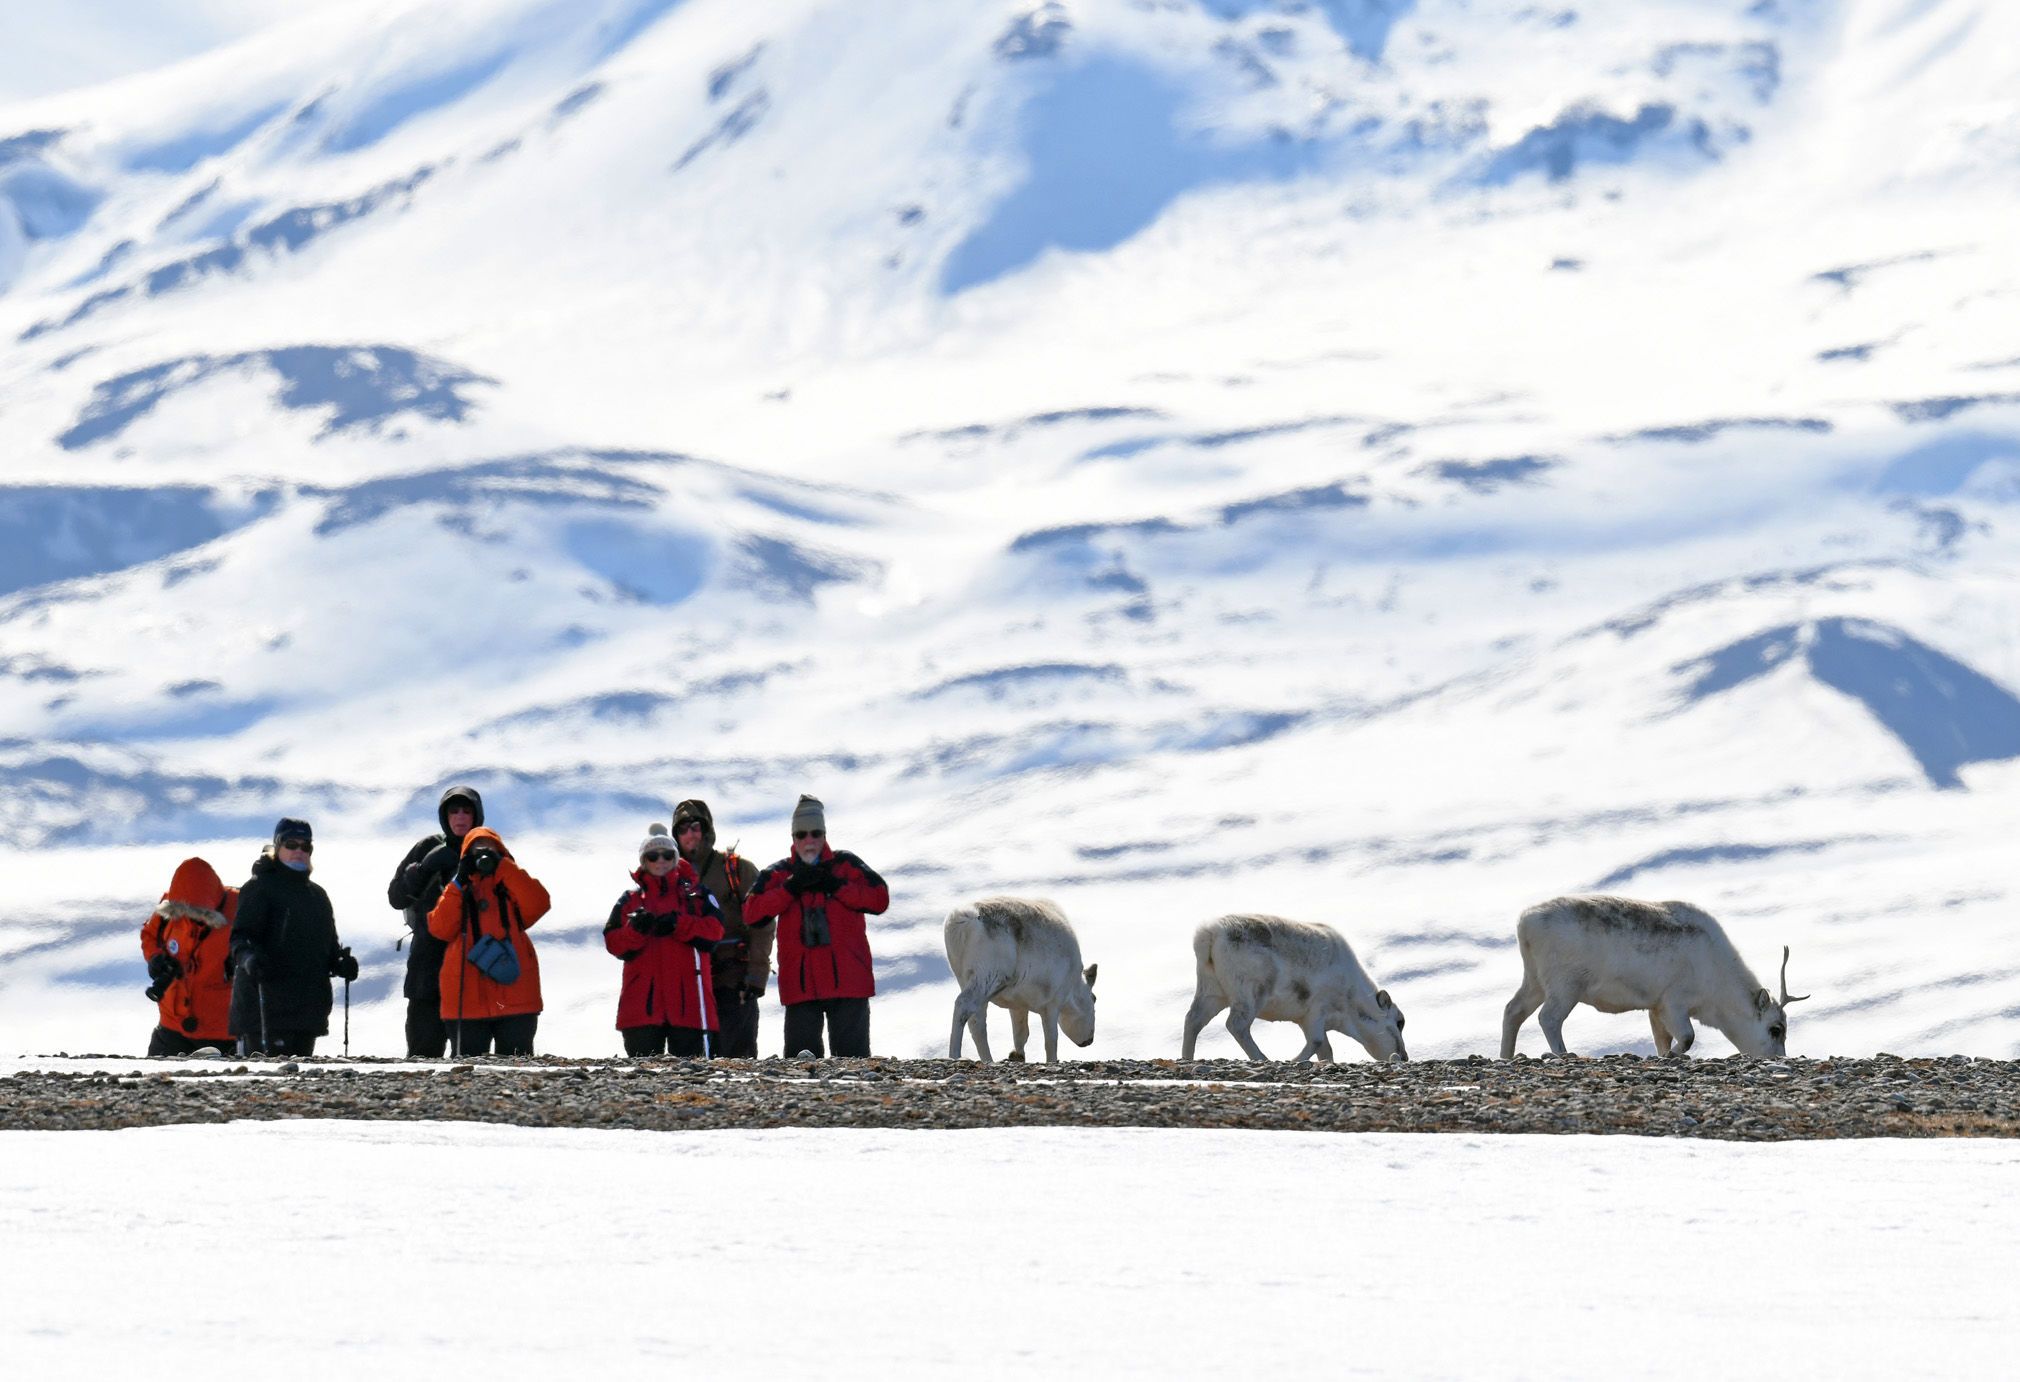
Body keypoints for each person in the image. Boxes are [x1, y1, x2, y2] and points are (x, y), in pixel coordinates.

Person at [744, 795, 889, 1058]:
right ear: (793, 837)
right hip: (802, 988)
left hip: (848, 984)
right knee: (800, 1070)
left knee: (854, 1066)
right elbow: (751, 912)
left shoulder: (845, 864)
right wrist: (790, 888)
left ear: (824, 834)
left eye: (815, 833)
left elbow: (880, 898)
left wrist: (837, 886)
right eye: (802, 834)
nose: (809, 840)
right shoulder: (779, 873)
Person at [230, 819, 356, 1057]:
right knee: (264, 1077)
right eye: (291, 844)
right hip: (264, 1009)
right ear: (277, 846)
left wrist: (340, 963)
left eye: (305, 846)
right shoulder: (259, 887)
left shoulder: (317, 895)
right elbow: (240, 938)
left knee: (299, 1075)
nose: (299, 851)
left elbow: (329, 945)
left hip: (307, 1011)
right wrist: (249, 959)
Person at [427, 825, 550, 1056]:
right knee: (468, 1066)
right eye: (476, 850)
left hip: (514, 996)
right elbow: (440, 928)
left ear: (502, 853)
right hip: (467, 999)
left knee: (517, 1064)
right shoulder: (459, 887)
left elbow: (539, 903)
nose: (483, 854)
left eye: (490, 849)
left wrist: (505, 868)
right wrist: (458, 883)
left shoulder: (510, 882)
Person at [604, 823, 725, 1056]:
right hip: (642, 1007)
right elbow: (613, 943)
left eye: (667, 855)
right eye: (653, 856)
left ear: (676, 858)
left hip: (690, 1006)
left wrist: (679, 924)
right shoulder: (629, 900)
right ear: (644, 861)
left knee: (692, 1073)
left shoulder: (697, 896)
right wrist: (635, 931)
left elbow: (715, 931)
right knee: (642, 1073)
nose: (660, 860)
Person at [386, 785, 484, 1056]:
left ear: (477, 815)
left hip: (473, 967)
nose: (460, 817)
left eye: (467, 811)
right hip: (427, 967)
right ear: (444, 816)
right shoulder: (428, 847)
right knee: (422, 1056)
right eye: (454, 811)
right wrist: (423, 869)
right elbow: (396, 897)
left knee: (470, 1061)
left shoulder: (487, 850)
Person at [671, 797, 768, 1057]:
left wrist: (757, 975)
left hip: (734, 982)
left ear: (707, 829)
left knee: (738, 1061)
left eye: (695, 827)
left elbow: (763, 922)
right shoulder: (667, 875)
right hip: (688, 986)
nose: (690, 834)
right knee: (689, 1064)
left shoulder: (737, 870)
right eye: (683, 829)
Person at [140, 858, 240, 1056]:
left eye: (197, 912)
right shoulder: (168, 908)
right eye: (183, 911)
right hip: (172, 1025)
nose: (189, 916)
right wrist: (155, 958)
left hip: (221, 1030)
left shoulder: (240, 908)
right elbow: (149, 934)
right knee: (156, 1073)